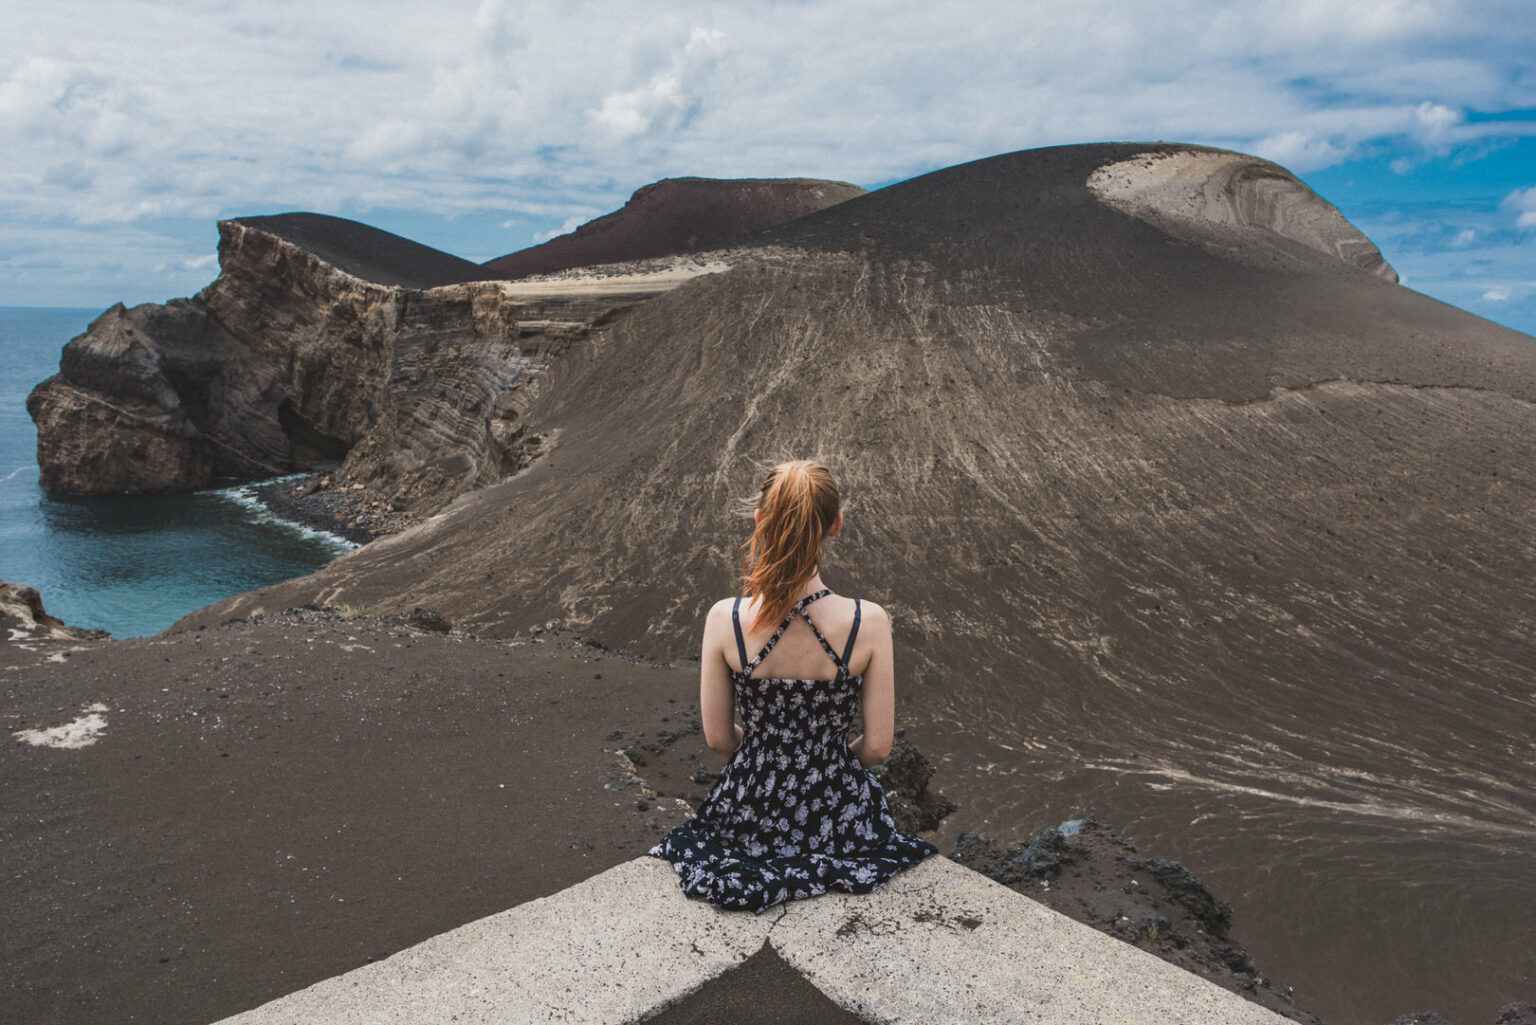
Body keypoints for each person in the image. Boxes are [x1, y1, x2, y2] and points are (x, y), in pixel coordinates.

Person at [649, 460, 937, 912]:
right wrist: (824, 765)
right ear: (835, 525)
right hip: (838, 815)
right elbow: (878, 748)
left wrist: (769, 760)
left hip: (748, 813)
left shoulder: (725, 618)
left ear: (760, 519)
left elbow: (719, 737)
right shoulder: (868, 621)